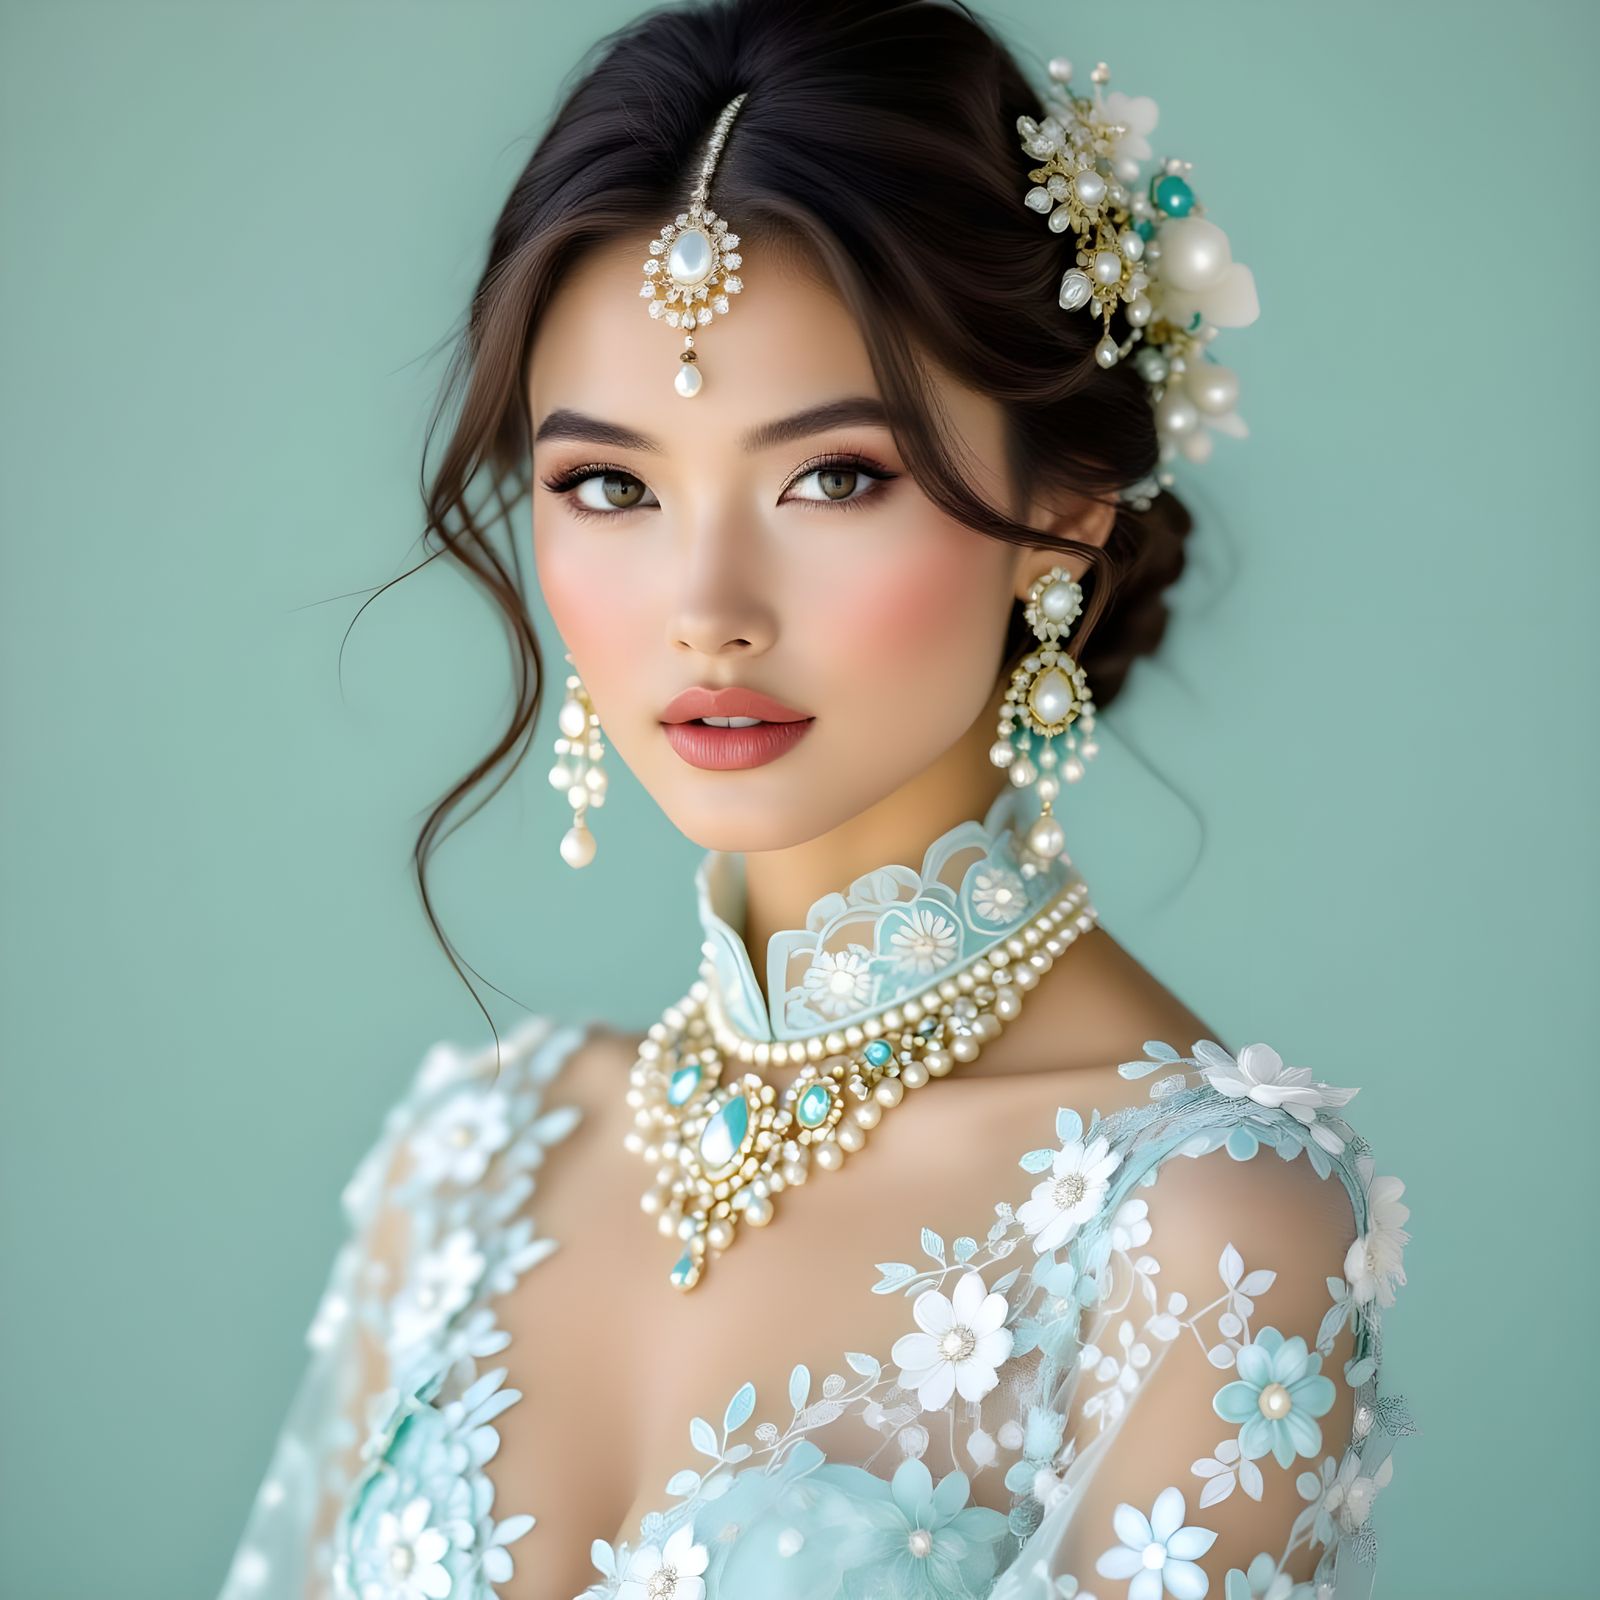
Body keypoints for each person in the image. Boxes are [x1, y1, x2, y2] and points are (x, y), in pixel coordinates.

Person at [219, 2, 1411, 1596]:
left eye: (834, 476)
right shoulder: (468, 1156)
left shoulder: (1207, 1225)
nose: (707, 609)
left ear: (1064, 513)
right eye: (611, 486)